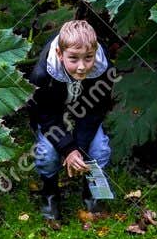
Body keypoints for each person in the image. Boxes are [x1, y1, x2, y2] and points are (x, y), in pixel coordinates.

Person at [26, 19, 115, 222]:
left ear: (95, 52)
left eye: (88, 58)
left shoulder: (104, 68)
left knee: (99, 149)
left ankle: (93, 194)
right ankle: (50, 194)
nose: (82, 67)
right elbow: (44, 114)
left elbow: (97, 108)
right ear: (60, 54)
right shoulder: (42, 75)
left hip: (86, 109)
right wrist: (67, 148)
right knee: (47, 154)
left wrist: (79, 148)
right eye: (73, 59)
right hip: (53, 114)